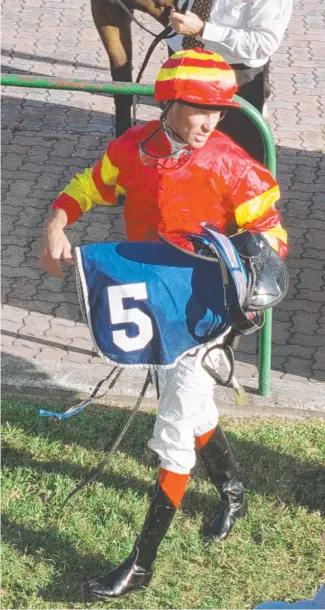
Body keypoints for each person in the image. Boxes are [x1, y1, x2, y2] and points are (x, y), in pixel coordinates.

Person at [40, 48, 288, 599]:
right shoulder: (131, 149)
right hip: (152, 302)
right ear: (168, 103)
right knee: (192, 405)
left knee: (175, 424)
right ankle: (233, 486)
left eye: (219, 111)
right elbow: (89, 185)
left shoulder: (232, 164)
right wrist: (56, 221)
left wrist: (257, 261)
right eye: (199, 109)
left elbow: (272, 233)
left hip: (205, 312)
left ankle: (141, 563)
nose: (210, 122)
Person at [168, 0, 293, 162]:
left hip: (233, 74)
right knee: (179, 149)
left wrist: (203, 30)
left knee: (236, 157)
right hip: (182, 62)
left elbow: (263, 43)